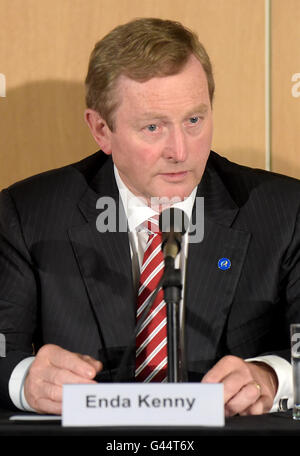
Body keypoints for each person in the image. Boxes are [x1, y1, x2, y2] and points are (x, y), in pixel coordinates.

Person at [0, 17, 299, 417]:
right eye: (153, 127)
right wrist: (24, 380)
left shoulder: (283, 211)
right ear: (101, 130)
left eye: (194, 120)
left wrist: (270, 376)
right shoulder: (28, 214)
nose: (180, 150)